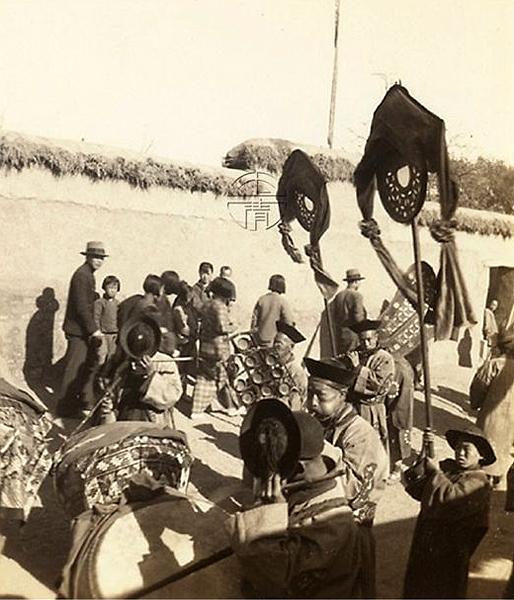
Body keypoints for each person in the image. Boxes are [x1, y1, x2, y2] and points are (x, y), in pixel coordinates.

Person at [229, 399, 363, 598]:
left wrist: (268, 515)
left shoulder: (333, 523)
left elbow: (275, 580)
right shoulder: (311, 474)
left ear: (299, 468)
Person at [304, 357, 389, 599]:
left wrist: (320, 450)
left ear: (342, 396)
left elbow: (356, 492)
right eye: (309, 393)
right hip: (319, 528)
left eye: (321, 396)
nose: (312, 402)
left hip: (348, 534)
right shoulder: (319, 422)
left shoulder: (361, 434)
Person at [403, 426, 496, 599]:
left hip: (450, 552)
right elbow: (417, 489)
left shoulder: (479, 481)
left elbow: (450, 499)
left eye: (467, 449)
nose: (460, 453)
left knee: (441, 591)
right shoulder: (450, 469)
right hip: (426, 545)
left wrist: (435, 473)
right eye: (458, 448)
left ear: (480, 455)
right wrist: (425, 454)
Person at [56, 241, 107, 418]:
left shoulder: (87, 274)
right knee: (73, 369)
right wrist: (93, 330)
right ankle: (64, 408)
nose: (99, 261)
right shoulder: (82, 275)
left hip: (80, 330)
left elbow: (84, 300)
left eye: (101, 258)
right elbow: (80, 307)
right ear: (88, 257)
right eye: (96, 257)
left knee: (81, 368)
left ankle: (74, 404)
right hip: (78, 331)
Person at [103, 315, 182, 427]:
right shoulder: (125, 365)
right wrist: (109, 405)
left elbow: (172, 397)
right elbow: (115, 396)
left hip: (152, 420)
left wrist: (152, 375)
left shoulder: (165, 363)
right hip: (125, 419)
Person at [470, 327, 514, 488]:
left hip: (490, 421)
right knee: (503, 460)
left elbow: (478, 389)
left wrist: (475, 404)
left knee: (485, 456)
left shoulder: (494, 365)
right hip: (511, 427)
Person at [191, 277, 240, 418]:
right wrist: (234, 326)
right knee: (222, 378)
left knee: (203, 379)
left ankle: (196, 410)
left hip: (205, 347)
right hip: (218, 349)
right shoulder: (220, 307)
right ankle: (230, 407)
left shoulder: (206, 304)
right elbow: (222, 327)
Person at [347, 319, 395, 452]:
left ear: (376, 337)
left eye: (369, 339)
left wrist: (357, 367)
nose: (366, 344)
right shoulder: (356, 354)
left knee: (372, 445)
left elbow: (378, 385)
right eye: (362, 340)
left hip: (371, 410)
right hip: (354, 407)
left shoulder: (384, 358)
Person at [385, 355, 415, 482]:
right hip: (383, 406)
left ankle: (397, 468)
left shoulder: (402, 368)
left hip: (398, 406)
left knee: (397, 434)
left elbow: (404, 400)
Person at [271, 321, 308, 411]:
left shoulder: (296, 372)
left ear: (291, 347)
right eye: (274, 343)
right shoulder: (270, 366)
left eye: (279, 345)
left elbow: (297, 403)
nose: (275, 347)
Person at [251, 274, 294, 347]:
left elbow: (254, 321)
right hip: (275, 341)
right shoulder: (282, 301)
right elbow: (288, 322)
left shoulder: (262, 299)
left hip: (259, 339)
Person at [332, 269, 367, 355]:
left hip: (340, 334)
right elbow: (358, 317)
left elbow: (335, 316)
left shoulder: (339, 296)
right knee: (353, 359)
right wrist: (363, 335)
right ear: (356, 281)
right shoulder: (357, 296)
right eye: (359, 281)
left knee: (343, 359)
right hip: (353, 335)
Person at [94, 275, 120, 366]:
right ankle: (96, 377)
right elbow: (96, 318)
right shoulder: (100, 303)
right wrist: (98, 332)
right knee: (102, 356)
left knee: (112, 357)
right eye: (110, 287)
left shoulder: (118, 304)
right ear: (105, 288)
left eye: (115, 288)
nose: (112, 290)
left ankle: (106, 377)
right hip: (103, 334)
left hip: (115, 335)